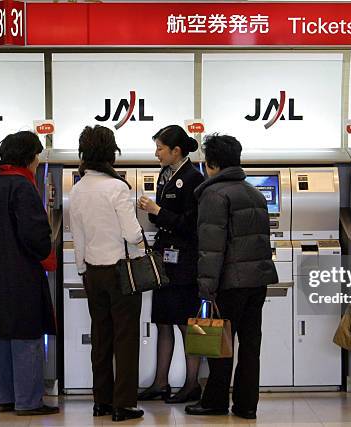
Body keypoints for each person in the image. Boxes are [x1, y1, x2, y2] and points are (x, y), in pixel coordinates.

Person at [185, 134, 278, 420]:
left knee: (220, 343)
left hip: (229, 283)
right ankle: (246, 405)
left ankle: (214, 401)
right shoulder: (255, 193)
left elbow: (212, 247)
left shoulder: (214, 195)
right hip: (257, 281)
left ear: (212, 164)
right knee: (251, 346)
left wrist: (206, 288)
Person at [0, 131, 59, 416]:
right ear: (29, 158)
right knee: (25, 337)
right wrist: (47, 249)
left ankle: (4, 398)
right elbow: (35, 236)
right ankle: (28, 401)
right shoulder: (22, 187)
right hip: (19, 277)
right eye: (37, 156)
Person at [69, 125, 144, 422]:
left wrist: (82, 269)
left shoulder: (77, 188)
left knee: (100, 337)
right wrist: (141, 234)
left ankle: (101, 401)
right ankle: (123, 405)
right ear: (111, 152)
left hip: (93, 272)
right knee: (125, 338)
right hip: (121, 273)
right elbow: (132, 234)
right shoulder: (117, 187)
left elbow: (79, 237)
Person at [137, 125, 205, 404]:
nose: (156, 154)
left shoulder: (193, 179)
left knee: (186, 323)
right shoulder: (166, 175)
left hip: (185, 262)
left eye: (160, 148)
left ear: (176, 150)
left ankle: (191, 384)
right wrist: (154, 213)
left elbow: (191, 225)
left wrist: (158, 211)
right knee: (163, 321)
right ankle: (160, 382)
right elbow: (166, 218)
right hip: (164, 259)